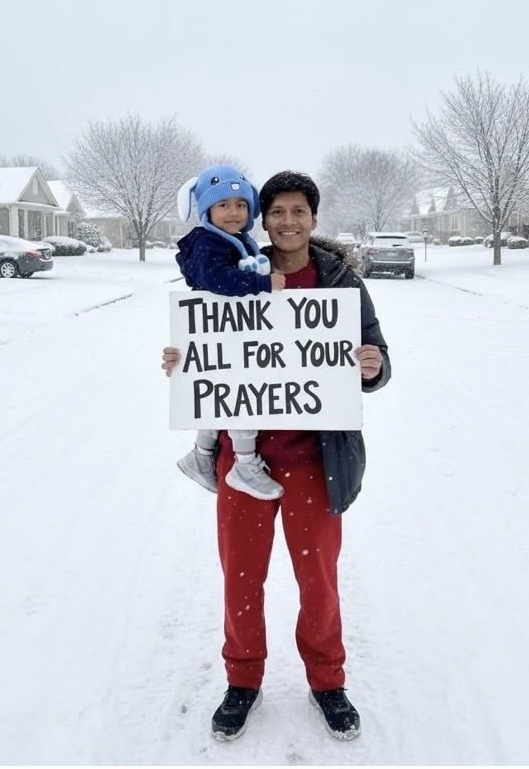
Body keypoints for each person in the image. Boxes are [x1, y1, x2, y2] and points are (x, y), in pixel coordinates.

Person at [162, 170, 391, 742]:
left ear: (313, 218)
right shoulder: (236, 269)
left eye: (299, 211)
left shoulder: (340, 281)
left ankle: (327, 681)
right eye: (278, 212)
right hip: (245, 459)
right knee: (241, 577)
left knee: (318, 579)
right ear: (264, 220)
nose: (288, 222)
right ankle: (242, 679)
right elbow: (202, 338)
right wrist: (182, 360)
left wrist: (372, 366)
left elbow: (378, 355)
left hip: (317, 458)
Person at [175, 164, 286, 500]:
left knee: (221, 394)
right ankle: (245, 463)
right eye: (223, 204)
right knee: (242, 397)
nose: (234, 212)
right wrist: (262, 284)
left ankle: (201, 454)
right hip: (222, 333)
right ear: (206, 210)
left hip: (229, 335)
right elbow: (217, 280)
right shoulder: (208, 243)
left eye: (241, 204)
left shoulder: (236, 241)